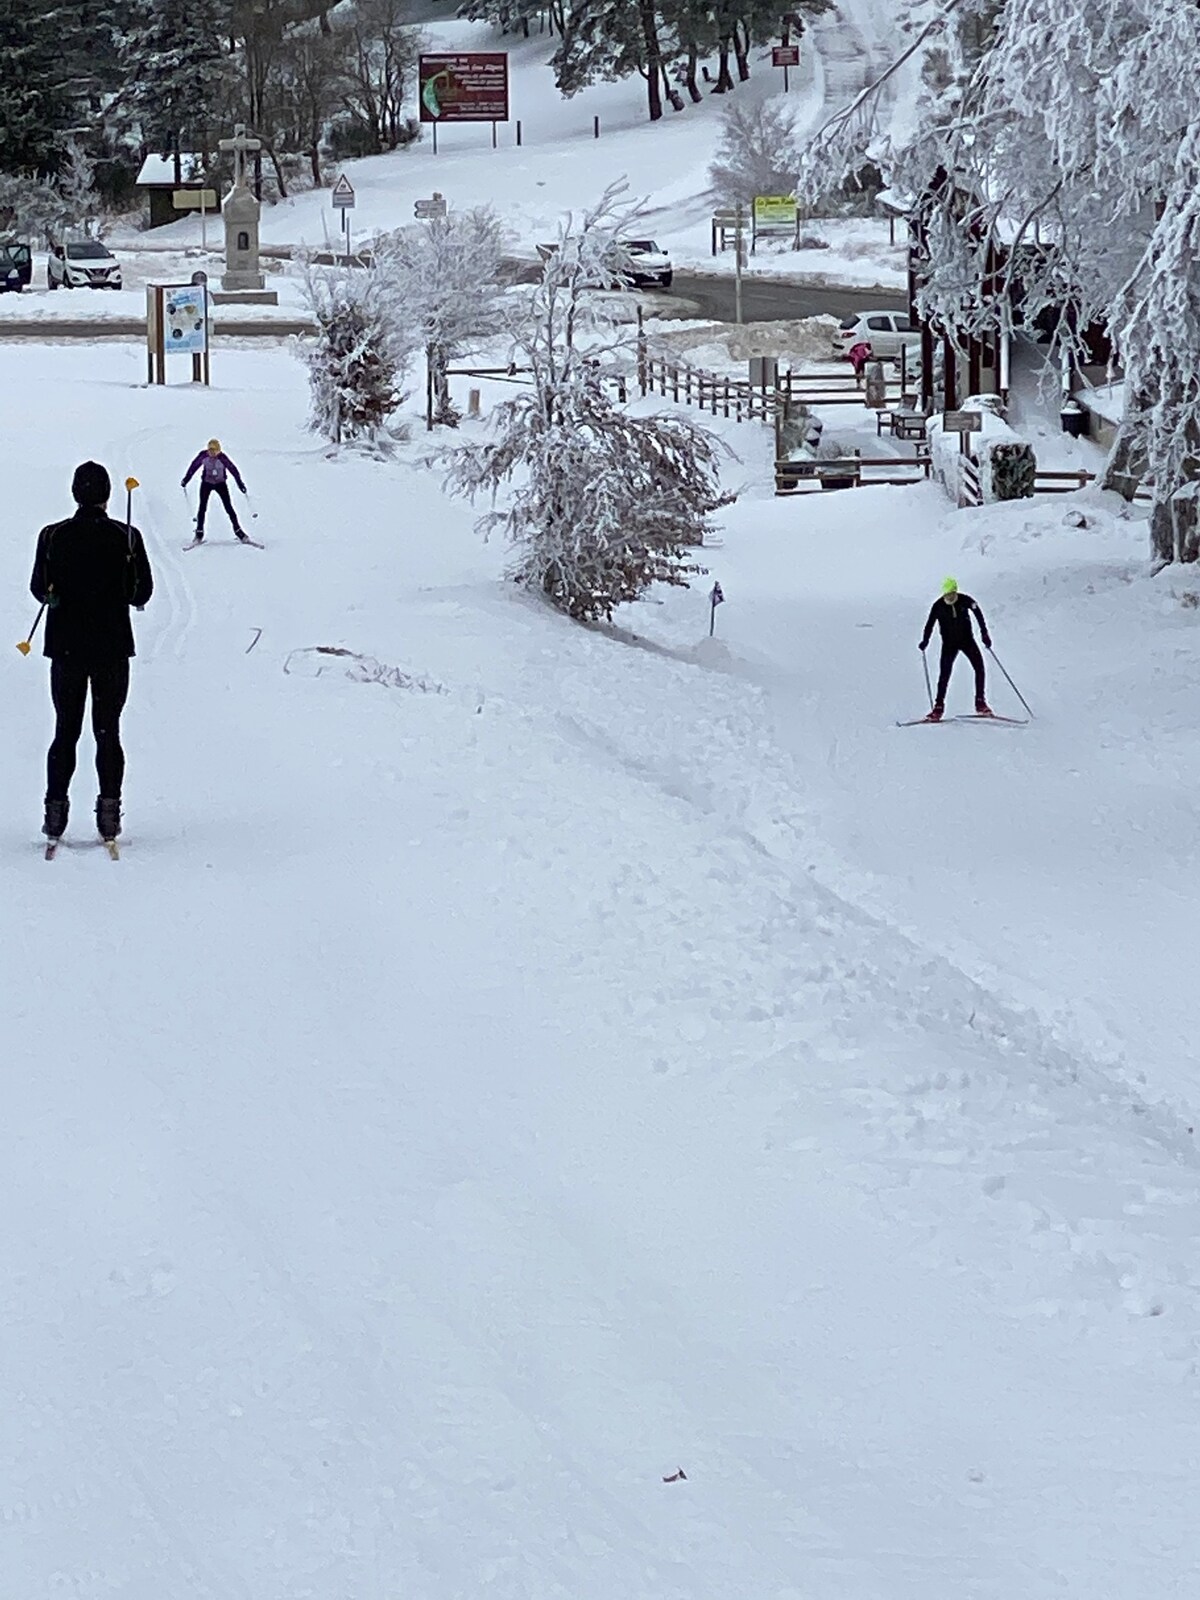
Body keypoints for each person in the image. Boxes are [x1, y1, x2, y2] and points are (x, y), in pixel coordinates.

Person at [30, 461, 154, 842]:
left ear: (74, 493)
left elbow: (40, 589)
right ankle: (109, 812)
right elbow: (141, 593)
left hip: (66, 649)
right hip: (111, 648)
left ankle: (55, 812)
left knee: (65, 730)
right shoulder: (126, 536)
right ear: (107, 495)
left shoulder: (52, 536)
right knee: (107, 732)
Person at [918, 576, 992, 720]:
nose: (950, 597)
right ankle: (938, 707)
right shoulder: (938, 606)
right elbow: (929, 624)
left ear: (956, 592)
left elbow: (978, 613)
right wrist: (925, 640)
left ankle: (980, 703)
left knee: (980, 668)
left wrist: (984, 633)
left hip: (967, 641)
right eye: (947, 595)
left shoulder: (965, 600)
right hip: (949, 644)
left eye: (952, 594)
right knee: (944, 675)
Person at [182, 439, 249, 540]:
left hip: (220, 484)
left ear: (219, 450)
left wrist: (240, 484)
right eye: (210, 450)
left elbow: (233, 470)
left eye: (214, 451)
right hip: (206, 484)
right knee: (202, 508)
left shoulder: (223, 458)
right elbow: (194, 466)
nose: (212, 453)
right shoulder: (203, 456)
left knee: (229, 508)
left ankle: (238, 531)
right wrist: (186, 479)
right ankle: (199, 532)